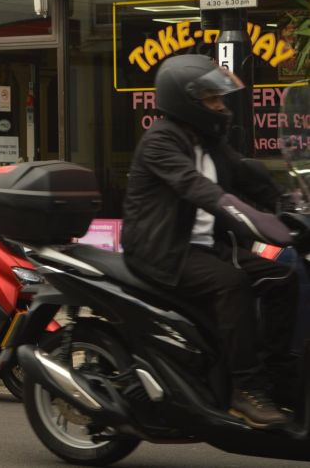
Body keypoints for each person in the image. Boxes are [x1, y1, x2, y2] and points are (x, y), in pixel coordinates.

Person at [122, 53, 297, 430]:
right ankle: (245, 391)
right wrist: (253, 219)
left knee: (283, 279)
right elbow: (197, 188)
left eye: (220, 99)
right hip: (164, 250)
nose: (221, 107)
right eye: (212, 100)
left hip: (204, 247)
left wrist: (290, 206)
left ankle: (279, 375)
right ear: (187, 102)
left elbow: (250, 177)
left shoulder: (210, 141)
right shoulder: (160, 142)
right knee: (231, 285)